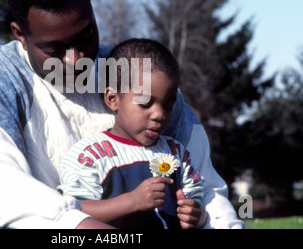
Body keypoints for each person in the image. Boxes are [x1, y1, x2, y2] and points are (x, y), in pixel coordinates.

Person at [0, 0, 244, 229]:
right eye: (54, 49)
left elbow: (205, 187)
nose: (76, 60)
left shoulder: (138, 73)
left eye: (85, 34)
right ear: (20, 34)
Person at [58, 38, 206, 229]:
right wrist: (131, 202)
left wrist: (196, 213)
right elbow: (74, 212)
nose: (159, 115)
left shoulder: (177, 153)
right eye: (145, 103)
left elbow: (198, 198)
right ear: (113, 99)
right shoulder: (90, 155)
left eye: (168, 106)